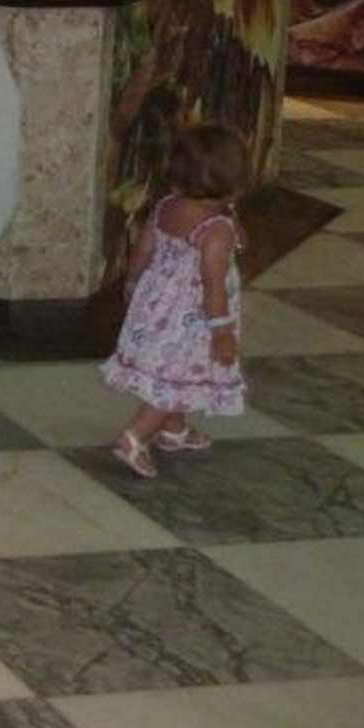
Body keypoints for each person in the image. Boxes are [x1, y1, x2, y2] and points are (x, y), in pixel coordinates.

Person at [101, 123, 250, 478]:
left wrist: (133, 283)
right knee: (174, 380)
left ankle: (174, 429)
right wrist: (222, 332)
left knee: (176, 374)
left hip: (156, 306)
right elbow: (213, 287)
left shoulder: (166, 207)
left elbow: (143, 249)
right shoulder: (216, 231)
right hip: (193, 320)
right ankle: (134, 437)